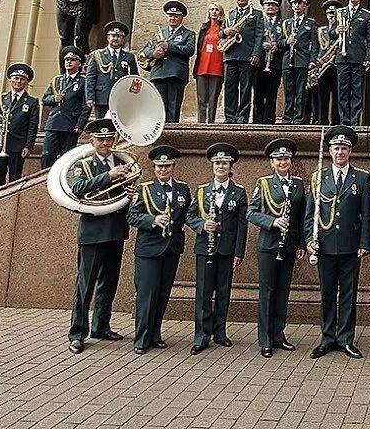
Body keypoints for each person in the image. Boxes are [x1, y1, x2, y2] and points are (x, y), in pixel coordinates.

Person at [307, 125, 370, 360]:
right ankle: (327, 338)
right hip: (324, 245)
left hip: (350, 245)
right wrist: (309, 240)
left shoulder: (362, 178)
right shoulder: (318, 177)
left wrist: (365, 242)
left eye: (344, 148)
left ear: (350, 151)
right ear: (329, 150)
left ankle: (345, 339)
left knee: (348, 293)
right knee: (327, 293)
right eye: (336, 148)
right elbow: (310, 214)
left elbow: (367, 213)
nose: (340, 152)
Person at [66, 118, 132, 354]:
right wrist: (110, 176)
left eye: (109, 138)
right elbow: (78, 188)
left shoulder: (124, 162)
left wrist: (130, 193)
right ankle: (77, 332)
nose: (106, 142)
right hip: (92, 232)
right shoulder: (81, 164)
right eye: (101, 139)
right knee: (86, 284)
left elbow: (127, 194)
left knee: (109, 282)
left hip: (116, 229)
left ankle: (101, 325)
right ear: (91, 140)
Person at [247, 138, 308, 357]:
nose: (283, 162)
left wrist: (301, 243)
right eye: (278, 159)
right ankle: (265, 339)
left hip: (289, 245)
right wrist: (272, 222)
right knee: (268, 291)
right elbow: (251, 212)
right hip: (269, 245)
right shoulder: (263, 184)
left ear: (290, 161)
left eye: (286, 158)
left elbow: (302, 217)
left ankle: (279, 335)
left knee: (283, 291)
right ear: (272, 163)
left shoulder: (299, 184)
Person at [186, 142, 249, 354]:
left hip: (226, 250)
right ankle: (201, 335)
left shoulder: (239, 192)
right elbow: (190, 216)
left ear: (231, 166)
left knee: (223, 292)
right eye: (217, 163)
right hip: (205, 248)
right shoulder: (202, 190)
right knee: (203, 293)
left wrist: (239, 252)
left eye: (224, 163)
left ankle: (220, 332)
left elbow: (242, 224)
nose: (220, 166)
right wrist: (202, 225)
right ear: (212, 166)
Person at [127, 145, 189, 355]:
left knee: (163, 294)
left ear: (173, 166)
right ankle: (142, 338)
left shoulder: (182, 189)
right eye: (159, 167)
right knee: (147, 295)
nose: (163, 170)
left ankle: (155, 334)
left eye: (167, 166)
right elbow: (132, 216)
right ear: (154, 167)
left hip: (171, 248)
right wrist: (152, 220)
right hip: (148, 250)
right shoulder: (144, 189)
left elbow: (186, 215)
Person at [141, 0, 196, 122]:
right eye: (170, 16)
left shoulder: (188, 34)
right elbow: (145, 51)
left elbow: (189, 50)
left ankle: (172, 134)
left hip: (176, 74)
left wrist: (169, 46)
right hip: (159, 73)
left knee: (173, 107)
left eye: (176, 16)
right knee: (159, 107)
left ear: (181, 18)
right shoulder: (160, 33)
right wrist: (154, 54)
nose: (173, 18)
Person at [0, 62, 39, 187]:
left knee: (15, 178)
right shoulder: (0, 99)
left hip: (18, 145)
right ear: (10, 81)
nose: (18, 81)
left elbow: (32, 126)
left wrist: (29, 145)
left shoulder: (32, 102)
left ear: (26, 83)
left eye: (22, 79)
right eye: (15, 78)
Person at [330, 0, 370, 125]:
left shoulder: (367, 15)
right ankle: (344, 120)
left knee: (356, 90)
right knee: (342, 90)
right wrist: (336, 30)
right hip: (342, 57)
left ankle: (354, 120)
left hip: (358, 57)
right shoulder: (340, 12)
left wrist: (368, 57)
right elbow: (330, 34)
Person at [222, 0, 264, 124]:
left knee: (245, 89)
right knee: (229, 87)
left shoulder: (256, 14)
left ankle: (242, 117)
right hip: (230, 55)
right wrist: (226, 31)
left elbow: (260, 35)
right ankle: (229, 116)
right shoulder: (229, 14)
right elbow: (220, 34)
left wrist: (256, 53)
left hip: (247, 55)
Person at [41, 46, 89, 169]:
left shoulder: (83, 82)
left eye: (72, 60)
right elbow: (44, 99)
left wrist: (80, 124)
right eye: (67, 60)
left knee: (66, 157)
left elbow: (86, 106)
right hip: (53, 123)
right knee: (47, 154)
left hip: (70, 125)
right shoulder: (57, 80)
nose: (69, 62)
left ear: (79, 63)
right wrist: (54, 98)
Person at [84, 21, 139, 119]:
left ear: (123, 39)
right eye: (113, 36)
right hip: (102, 98)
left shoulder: (129, 57)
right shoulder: (97, 55)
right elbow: (90, 78)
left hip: (121, 98)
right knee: (101, 125)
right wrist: (90, 97)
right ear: (108, 38)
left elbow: (135, 78)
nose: (115, 39)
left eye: (118, 36)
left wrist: (132, 97)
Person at [280, 0, 319, 124]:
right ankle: (287, 118)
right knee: (289, 91)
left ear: (305, 5)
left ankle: (299, 119)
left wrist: (312, 60)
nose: (297, 6)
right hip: (288, 61)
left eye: (300, 3)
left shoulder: (311, 23)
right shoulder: (286, 23)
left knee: (301, 92)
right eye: (294, 3)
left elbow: (314, 44)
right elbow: (279, 42)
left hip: (303, 61)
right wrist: (286, 42)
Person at [252, 0, 285, 125]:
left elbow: (286, 41)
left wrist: (277, 46)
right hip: (259, 63)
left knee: (272, 94)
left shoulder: (282, 24)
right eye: (267, 5)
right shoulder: (257, 22)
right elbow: (251, 40)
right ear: (263, 7)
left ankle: (270, 120)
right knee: (258, 94)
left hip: (275, 63)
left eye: (273, 5)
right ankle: (257, 120)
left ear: (277, 8)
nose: (270, 7)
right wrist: (261, 46)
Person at [310, 0, 343, 126]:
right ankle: (321, 120)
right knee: (321, 97)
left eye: (334, 13)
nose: (331, 15)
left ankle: (336, 122)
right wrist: (315, 61)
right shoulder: (320, 30)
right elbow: (316, 47)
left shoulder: (342, 30)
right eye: (329, 13)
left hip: (336, 67)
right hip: (322, 68)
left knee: (337, 98)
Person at [193, 3, 226, 123]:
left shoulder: (223, 28)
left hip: (217, 67)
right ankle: (201, 123)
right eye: (212, 10)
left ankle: (211, 122)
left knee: (213, 99)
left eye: (217, 10)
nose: (214, 12)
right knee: (201, 99)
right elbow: (199, 48)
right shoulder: (204, 28)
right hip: (202, 66)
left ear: (221, 13)